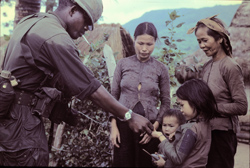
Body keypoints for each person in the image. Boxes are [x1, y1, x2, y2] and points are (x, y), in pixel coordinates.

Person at [0, 0, 154, 166]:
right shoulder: (57, 38)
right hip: (22, 130)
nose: (87, 30)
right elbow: (91, 88)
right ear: (73, 10)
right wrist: (128, 115)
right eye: (87, 22)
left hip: (7, 120)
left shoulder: (30, 21)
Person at [179, 15, 248, 168]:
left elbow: (242, 106)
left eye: (205, 40)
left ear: (220, 39)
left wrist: (212, 109)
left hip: (222, 135)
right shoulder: (207, 67)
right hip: (205, 132)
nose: (202, 46)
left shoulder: (230, 66)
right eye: (199, 42)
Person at [109, 22, 171, 167]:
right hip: (123, 126)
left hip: (148, 130)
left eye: (149, 44)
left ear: (155, 42)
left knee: (145, 164)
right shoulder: (122, 64)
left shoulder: (161, 69)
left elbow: (166, 102)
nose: (144, 49)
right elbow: (113, 97)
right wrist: (113, 126)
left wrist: (154, 129)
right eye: (140, 43)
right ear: (134, 40)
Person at [152, 79, 218, 168]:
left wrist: (161, 137)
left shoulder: (190, 129)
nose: (181, 110)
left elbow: (177, 158)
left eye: (182, 105)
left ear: (195, 102)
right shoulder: (205, 123)